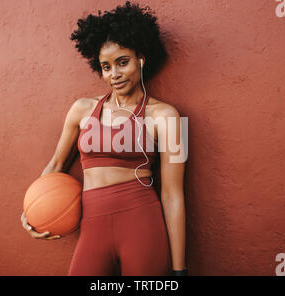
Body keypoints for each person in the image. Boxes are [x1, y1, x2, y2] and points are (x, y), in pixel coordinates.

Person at [21, 1, 187, 276]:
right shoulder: (81, 110)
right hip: (92, 228)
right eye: (106, 66)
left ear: (141, 59)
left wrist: (180, 270)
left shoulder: (167, 116)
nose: (114, 74)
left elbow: (173, 195)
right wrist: (31, 211)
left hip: (142, 226)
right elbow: (55, 165)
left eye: (123, 62)